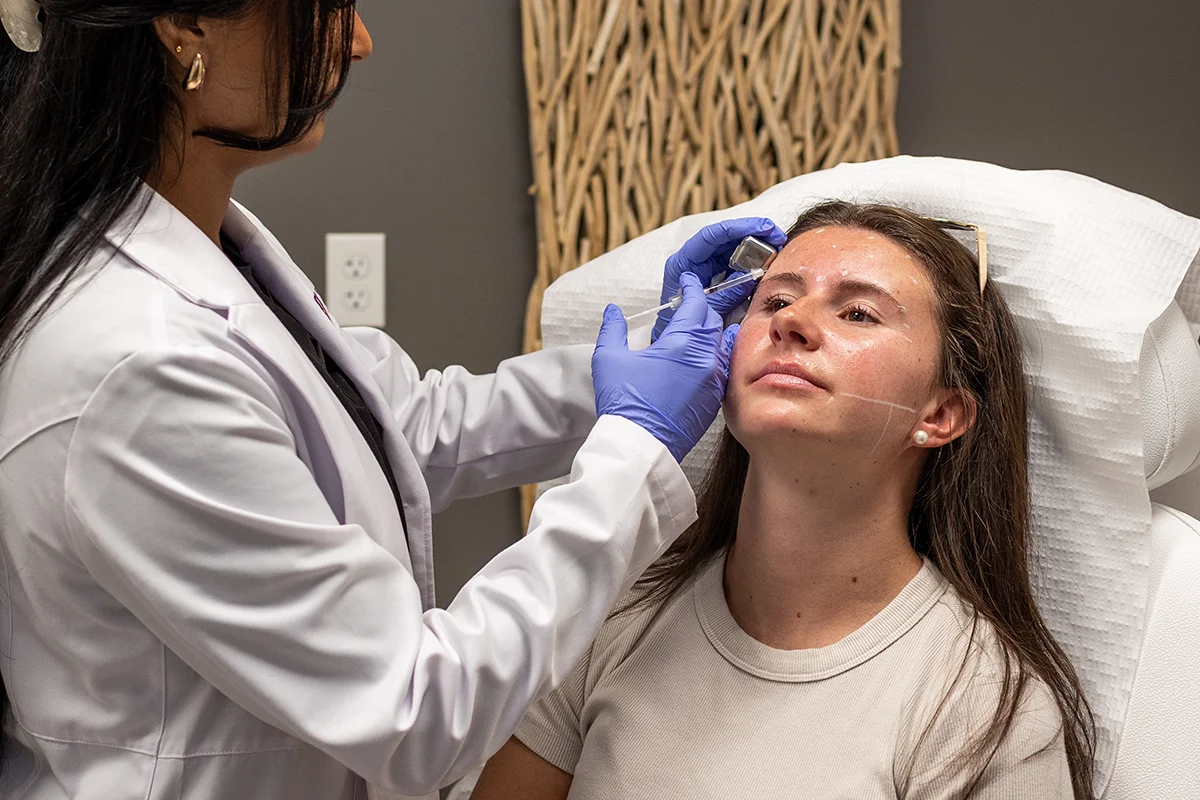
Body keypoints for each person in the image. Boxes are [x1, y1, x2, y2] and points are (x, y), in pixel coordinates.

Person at [0, 2, 788, 798]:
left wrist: (646, 362)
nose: (360, 42)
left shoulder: (204, 248)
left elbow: (400, 429)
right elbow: (417, 713)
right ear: (184, 23)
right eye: (326, 7)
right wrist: (637, 445)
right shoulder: (137, 363)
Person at [474, 202, 1097, 799]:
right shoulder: (610, 616)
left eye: (858, 313)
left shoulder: (983, 706)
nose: (790, 321)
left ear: (940, 415)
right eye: (774, 300)